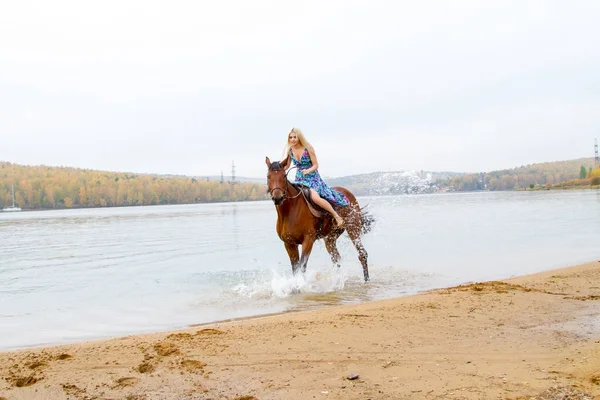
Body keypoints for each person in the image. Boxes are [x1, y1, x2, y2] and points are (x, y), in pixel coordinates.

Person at [282, 127, 348, 227]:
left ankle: (336, 216)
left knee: (315, 198)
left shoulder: (308, 148)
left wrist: (308, 170)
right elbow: (286, 166)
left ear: (299, 137)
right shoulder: (290, 150)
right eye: (290, 137)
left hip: (312, 178)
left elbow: (316, 165)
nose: (292, 139)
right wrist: (278, 171)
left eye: (295, 137)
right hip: (299, 179)